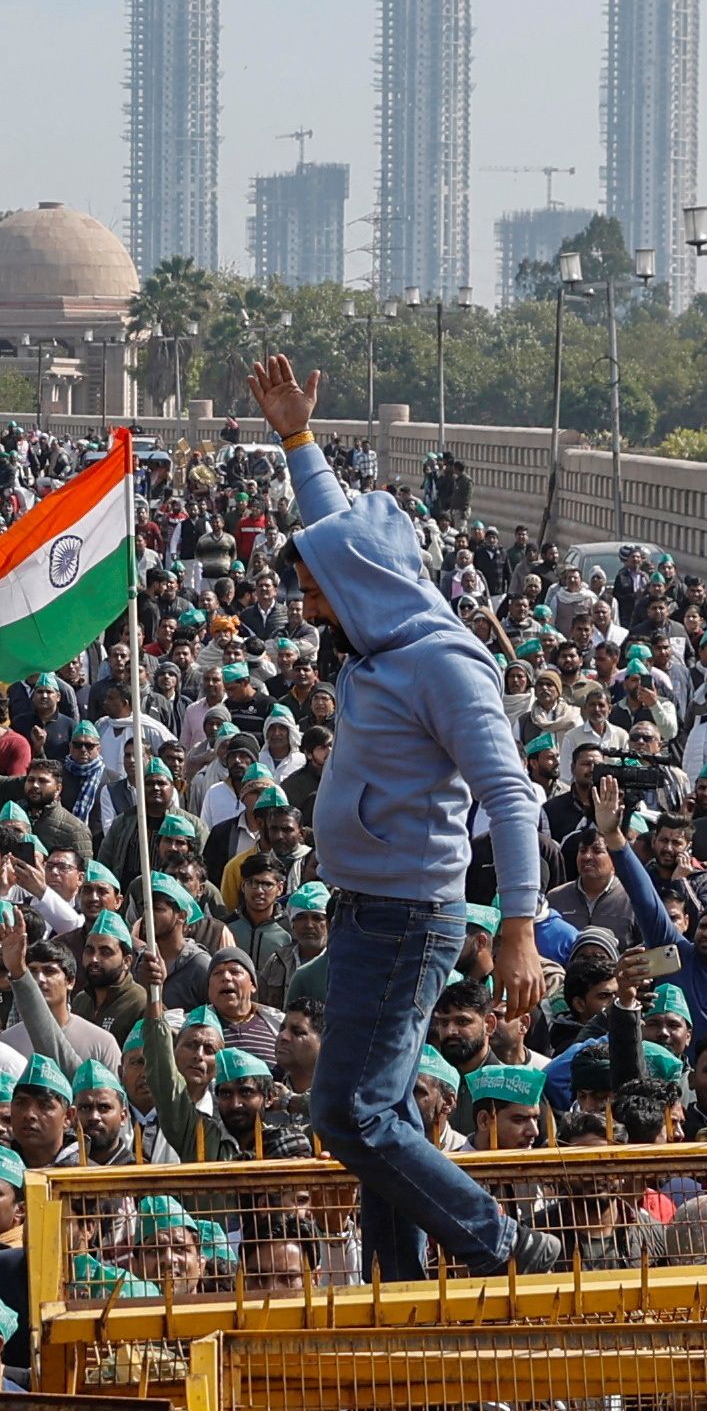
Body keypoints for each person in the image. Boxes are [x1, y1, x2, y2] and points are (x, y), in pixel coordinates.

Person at [242, 352, 550, 1277]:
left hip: (410, 917)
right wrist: (297, 438)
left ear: (357, 589)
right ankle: (399, 1277)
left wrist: (521, 929)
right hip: (364, 909)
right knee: (378, 1109)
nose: (303, 605)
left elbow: (510, 795)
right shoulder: (377, 628)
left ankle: (507, 1243)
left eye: (312, 590)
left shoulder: (443, 665)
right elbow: (343, 528)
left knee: (347, 1112)